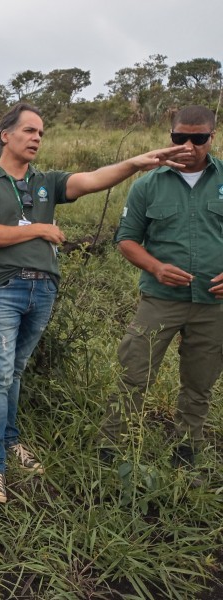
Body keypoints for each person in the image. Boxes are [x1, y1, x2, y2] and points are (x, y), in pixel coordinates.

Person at [0, 102, 191, 503]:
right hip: (2, 288)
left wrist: (137, 162)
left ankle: (12, 442)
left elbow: (93, 180)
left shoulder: (46, 182)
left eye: (41, 134)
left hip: (43, 289)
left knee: (15, 371)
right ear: (6, 135)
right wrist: (40, 229)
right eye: (30, 131)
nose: (37, 138)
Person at [99, 105, 222, 478]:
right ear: (169, 136)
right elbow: (126, 239)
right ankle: (111, 446)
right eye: (180, 137)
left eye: (198, 138)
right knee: (134, 371)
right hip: (160, 300)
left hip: (213, 304)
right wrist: (155, 267)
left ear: (211, 138)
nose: (188, 145)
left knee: (199, 382)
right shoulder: (147, 184)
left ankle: (188, 447)